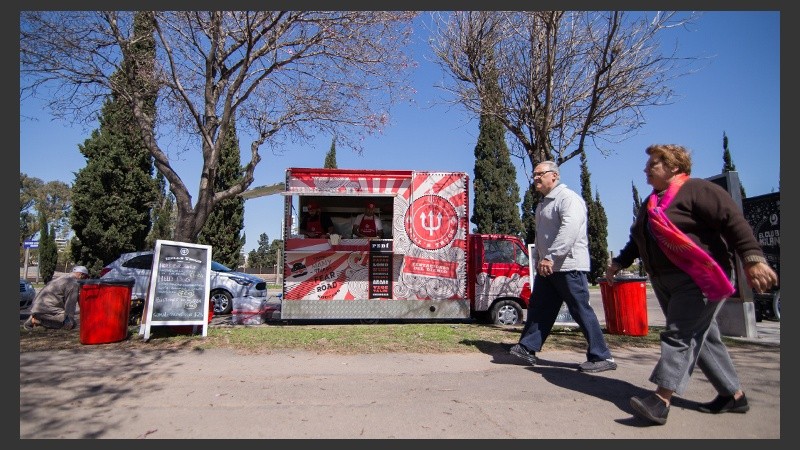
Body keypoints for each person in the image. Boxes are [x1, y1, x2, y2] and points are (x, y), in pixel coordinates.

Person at [607, 144, 778, 426]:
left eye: (653, 164)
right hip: (664, 279)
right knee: (705, 337)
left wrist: (753, 259)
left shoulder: (698, 190)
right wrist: (618, 263)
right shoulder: (651, 203)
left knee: (679, 334)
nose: (646, 169)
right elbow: (637, 239)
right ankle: (733, 395)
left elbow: (733, 222)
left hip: (698, 277)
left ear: (674, 167)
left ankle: (661, 400)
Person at [509, 161, 616, 373]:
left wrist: (550, 257)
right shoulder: (543, 203)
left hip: (568, 266)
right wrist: (541, 260)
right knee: (540, 308)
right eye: (534, 175)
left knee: (579, 309)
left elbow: (569, 230)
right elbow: (543, 237)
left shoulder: (568, 199)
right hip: (548, 267)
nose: (536, 178)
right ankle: (527, 347)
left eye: (540, 174)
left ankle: (602, 356)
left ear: (554, 176)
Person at [23, 265, 90, 330]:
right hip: (46, 308)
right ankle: (37, 320)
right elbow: (70, 304)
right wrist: (69, 320)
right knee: (70, 324)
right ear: (81, 274)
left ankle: (37, 317)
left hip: (38, 305)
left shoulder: (64, 277)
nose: (85, 279)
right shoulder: (73, 283)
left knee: (68, 320)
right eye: (86, 276)